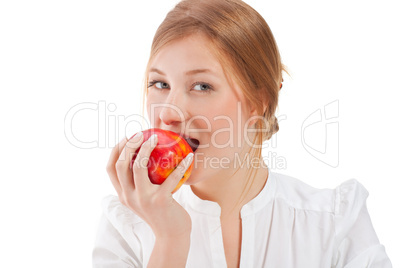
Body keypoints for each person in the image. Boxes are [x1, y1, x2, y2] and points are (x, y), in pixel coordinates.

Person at [92, 0, 392, 267]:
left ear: (257, 102)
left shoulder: (334, 223)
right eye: (160, 84)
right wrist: (171, 239)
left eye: (202, 86)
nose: (168, 112)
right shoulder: (126, 225)